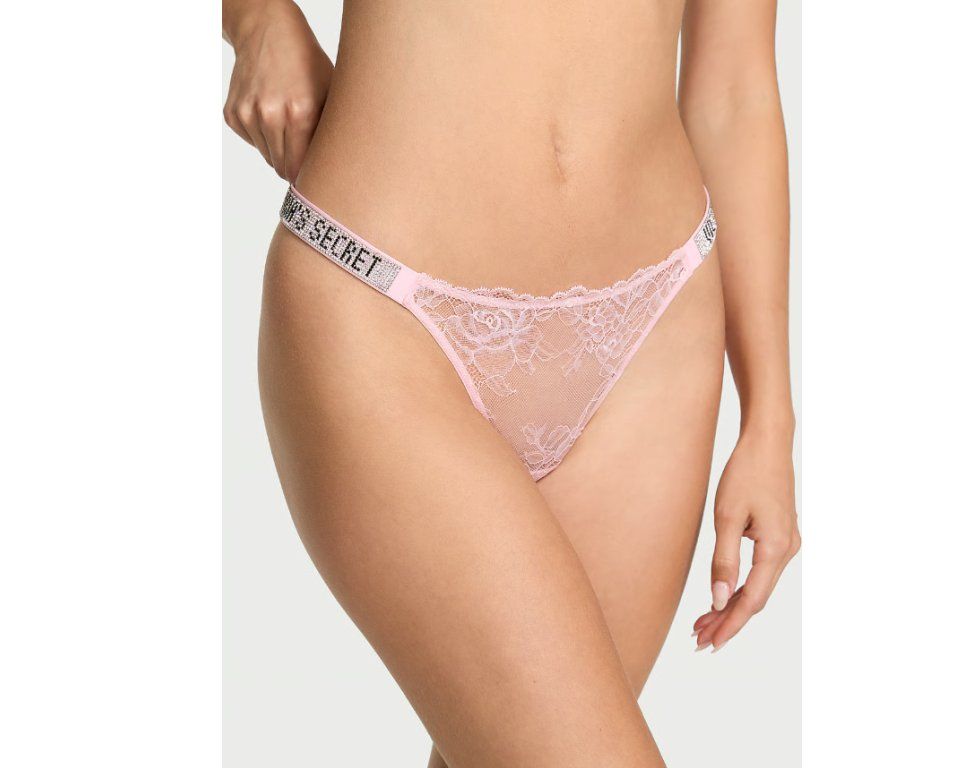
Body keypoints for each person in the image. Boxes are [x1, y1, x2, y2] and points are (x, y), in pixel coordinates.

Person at [223, 0, 799, 764]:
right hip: (386, 299)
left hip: (650, 334)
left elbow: (735, 89)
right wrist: (255, 16)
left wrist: (770, 419)